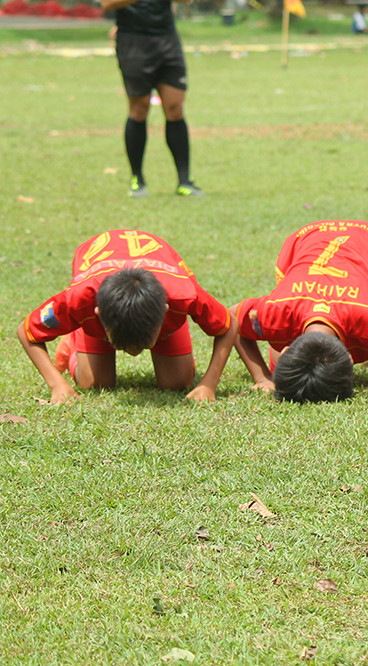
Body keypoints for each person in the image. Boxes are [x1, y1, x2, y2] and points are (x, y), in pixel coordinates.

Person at [16, 229, 236, 404]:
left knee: (177, 383)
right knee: (94, 383)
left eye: (143, 343)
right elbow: (27, 332)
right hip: (100, 282)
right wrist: (58, 385)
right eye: (122, 345)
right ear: (99, 316)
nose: (134, 353)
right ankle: (72, 340)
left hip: (158, 293)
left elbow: (229, 324)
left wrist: (208, 384)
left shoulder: (185, 295)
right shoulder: (79, 300)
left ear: (164, 312)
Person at [230, 220, 368, 403]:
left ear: (349, 358)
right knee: (281, 368)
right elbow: (232, 318)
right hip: (306, 238)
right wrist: (262, 378)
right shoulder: (276, 312)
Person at [101, 0, 203, 197]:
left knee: (175, 108)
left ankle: (185, 182)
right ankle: (137, 179)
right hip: (133, 40)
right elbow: (107, 4)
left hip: (166, 37)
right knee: (139, 109)